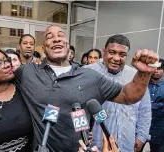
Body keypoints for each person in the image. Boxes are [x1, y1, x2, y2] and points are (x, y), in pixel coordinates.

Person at [14, 25, 158, 152]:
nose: (56, 39)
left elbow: (129, 95)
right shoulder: (27, 72)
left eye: (61, 35)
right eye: (49, 37)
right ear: (44, 48)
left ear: (67, 45)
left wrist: (144, 73)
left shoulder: (90, 76)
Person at [84, 34, 151, 152]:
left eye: (122, 54)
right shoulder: (88, 73)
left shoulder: (135, 76)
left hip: (127, 143)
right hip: (96, 144)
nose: (116, 58)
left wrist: (141, 136)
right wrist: (82, 134)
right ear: (104, 52)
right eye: (112, 52)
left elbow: (145, 109)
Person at [147, 59, 164, 152]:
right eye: (154, 68)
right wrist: (159, 105)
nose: (156, 70)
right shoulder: (143, 84)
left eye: (160, 68)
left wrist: (148, 106)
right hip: (141, 127)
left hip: (160, 129)